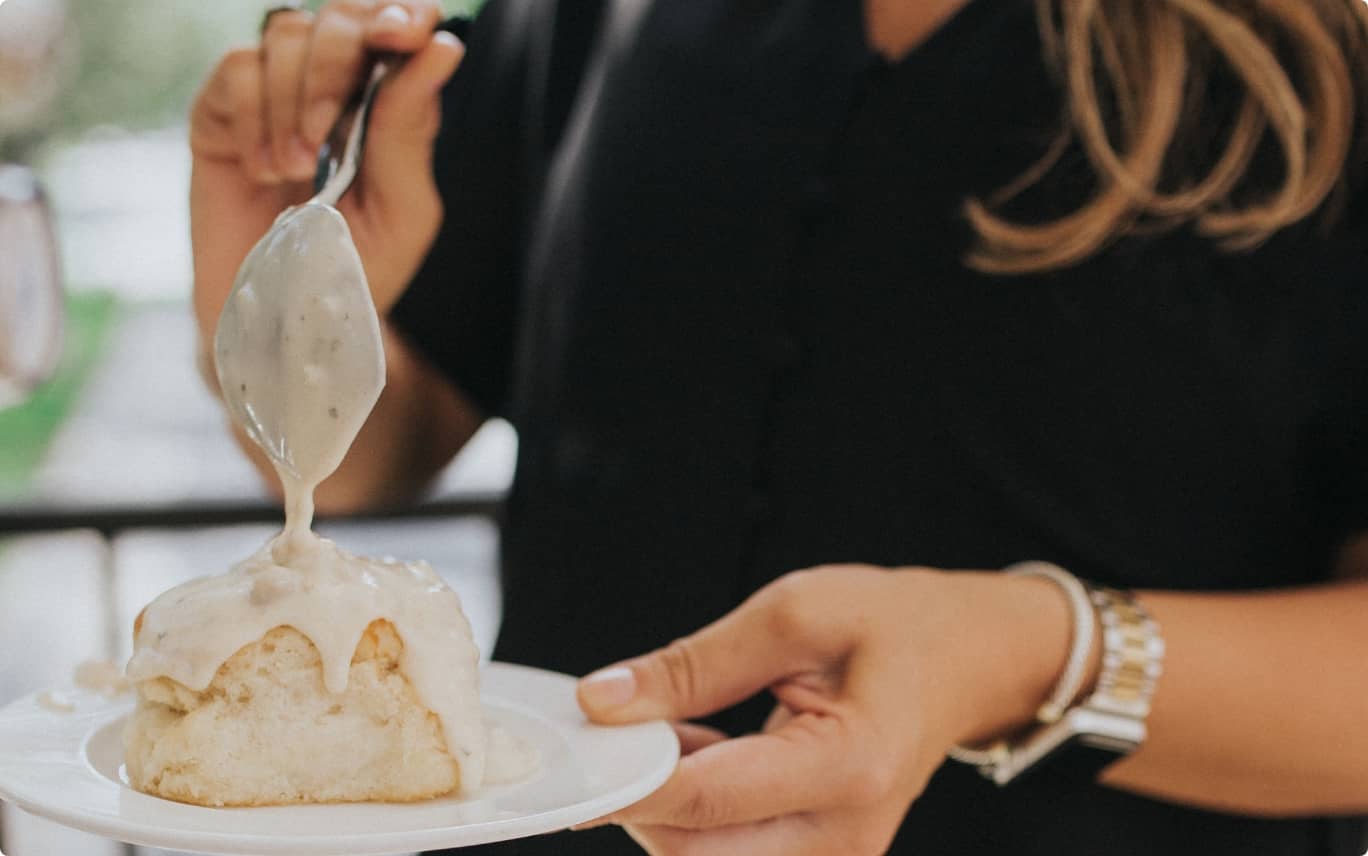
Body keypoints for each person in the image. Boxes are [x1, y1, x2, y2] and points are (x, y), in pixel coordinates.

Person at [189, 0, 1368, 853]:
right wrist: (271, 302)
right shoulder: (583, 23)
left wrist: (1026, 651)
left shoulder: (1325, 65)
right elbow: (382, 454)